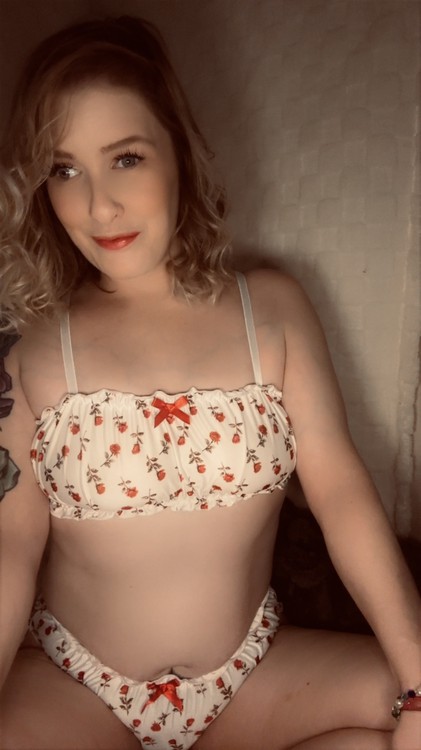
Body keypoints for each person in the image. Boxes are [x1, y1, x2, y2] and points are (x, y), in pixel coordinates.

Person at [0, 14, 419, 750]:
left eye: (125, 158)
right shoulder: (30, 342)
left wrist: (417, 679)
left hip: (252, 679)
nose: (98, 205)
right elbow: (10, 546)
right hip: (75, 689)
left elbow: (340, 493)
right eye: (65, 170)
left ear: (179, 153)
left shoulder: (274, 308)